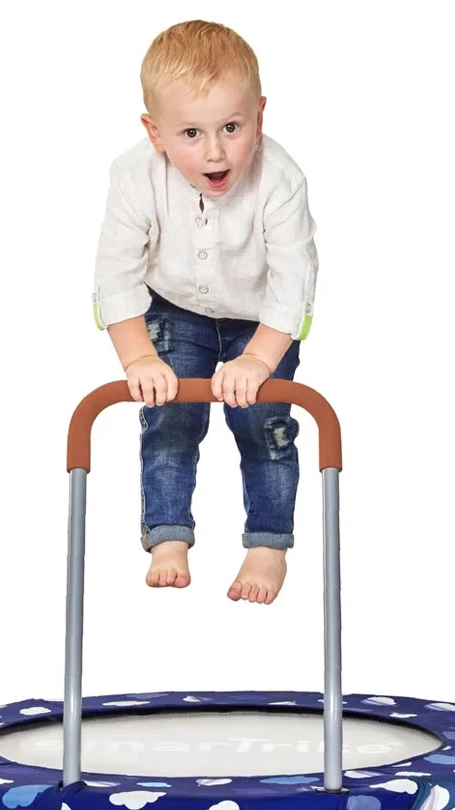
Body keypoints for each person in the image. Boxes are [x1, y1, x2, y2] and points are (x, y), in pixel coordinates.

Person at [92, 20, 319, 605]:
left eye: (232, 128)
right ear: (156, 133)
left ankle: (268, 542)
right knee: (168, 414)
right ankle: (168, 534)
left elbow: (293, 283)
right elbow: (116, 274)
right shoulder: (133, 177)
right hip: (174, 307)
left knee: (263, 423)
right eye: (191, 132)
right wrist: (139, 357)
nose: (215, 151)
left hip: (261, 318)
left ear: (259, 117)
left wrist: (259, 359)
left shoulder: (281, 180)